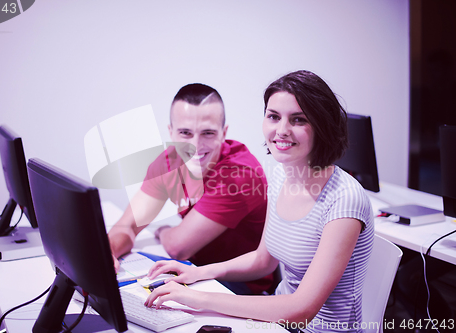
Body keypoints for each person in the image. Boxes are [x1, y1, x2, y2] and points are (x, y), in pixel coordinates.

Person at [144, 71, 375, 333]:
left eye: (298, 120)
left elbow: (301, 310)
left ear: (322, 126)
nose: (281, 130)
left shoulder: (344, 199)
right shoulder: (280, 176)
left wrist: (197, 299)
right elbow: (263, 260)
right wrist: (199, 273)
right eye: (274, 116)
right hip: (275, 325)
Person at [108, 83, 273, 295]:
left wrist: (163, 230)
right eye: (185, 133)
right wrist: (107, 252)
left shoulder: (239, 175)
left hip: (238, 286)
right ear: (171, 132)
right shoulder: (168, 163)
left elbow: (179, 247)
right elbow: (127, 226)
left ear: (224, 133)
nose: (195, 145)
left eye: (207, 133)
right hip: (192, 269)